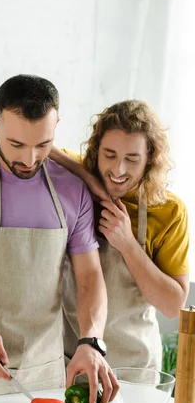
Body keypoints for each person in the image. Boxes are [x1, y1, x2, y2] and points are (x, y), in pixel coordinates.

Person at [0, 74, 119, 403]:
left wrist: (92, 340)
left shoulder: (72, 190)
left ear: (56, 126)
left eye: (43, 145)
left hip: (50, 373)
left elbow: (89, 277)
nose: (29, 159)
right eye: (17, 144)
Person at [49, 99, 190, 370]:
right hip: (71, 359)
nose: (118, 170)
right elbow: (45, 148)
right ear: (96, 150)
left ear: (150, 159)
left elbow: (173, 305)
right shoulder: (78, 182)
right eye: (109, 155)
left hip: (134, 367)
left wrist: (127, 244)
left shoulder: (170, 211)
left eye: (132, 159)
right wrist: (91, 181)